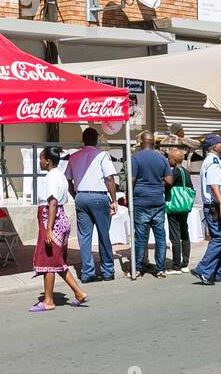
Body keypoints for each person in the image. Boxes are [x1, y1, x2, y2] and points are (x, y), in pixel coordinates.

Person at [30, 146, 89, 311]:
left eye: (41, 159)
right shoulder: (60, 176)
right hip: (60, 219)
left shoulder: (51, 177)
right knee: (57, 261)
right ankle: (78, 293)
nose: (40, 162)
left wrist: (48, 229)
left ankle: (48, 300)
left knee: (49, 260)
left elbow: (53, 202)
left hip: (52, 221)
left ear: (47, 161)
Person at [66, 127, 119, 283]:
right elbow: (109, 178)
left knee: (84, 237)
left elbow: (68, 180)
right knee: (104, 235)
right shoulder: (102, 155)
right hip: (99, 197)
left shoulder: (73, 157)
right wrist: (114, 199)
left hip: (81, 196)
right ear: (96, 139)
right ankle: (107, 270)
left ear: (83, 139)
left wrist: (76, 195)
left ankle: (87, 272)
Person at [191, 134, 221, 286]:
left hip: (219, 205)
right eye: (220, 143)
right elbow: (214, 185)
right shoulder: (212, 162)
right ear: (214, 147)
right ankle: (204, 269)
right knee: (220, 238)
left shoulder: (216, 161)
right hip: (216, 206)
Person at [131, 131, 171, 279]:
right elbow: (169, 181)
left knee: (141, 238)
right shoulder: (162, 158)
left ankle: (138, 269)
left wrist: (130, 197)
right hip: (158, 201)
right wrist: (157, 183)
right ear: (153, 142)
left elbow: (132, 180)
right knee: (160, 236)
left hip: (140, 201)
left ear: (141, 142)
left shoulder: (135, 158)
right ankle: (160, 270)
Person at [164, 139, 195, 272]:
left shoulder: (174, 172)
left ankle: (176, 266)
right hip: (184, 206)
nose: (167, 160)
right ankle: (185, 263)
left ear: (172, 160)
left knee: (174, 236)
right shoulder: (186, 172)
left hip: (174, 206)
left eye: (168, 158)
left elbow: (167, 185)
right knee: (185, 234)